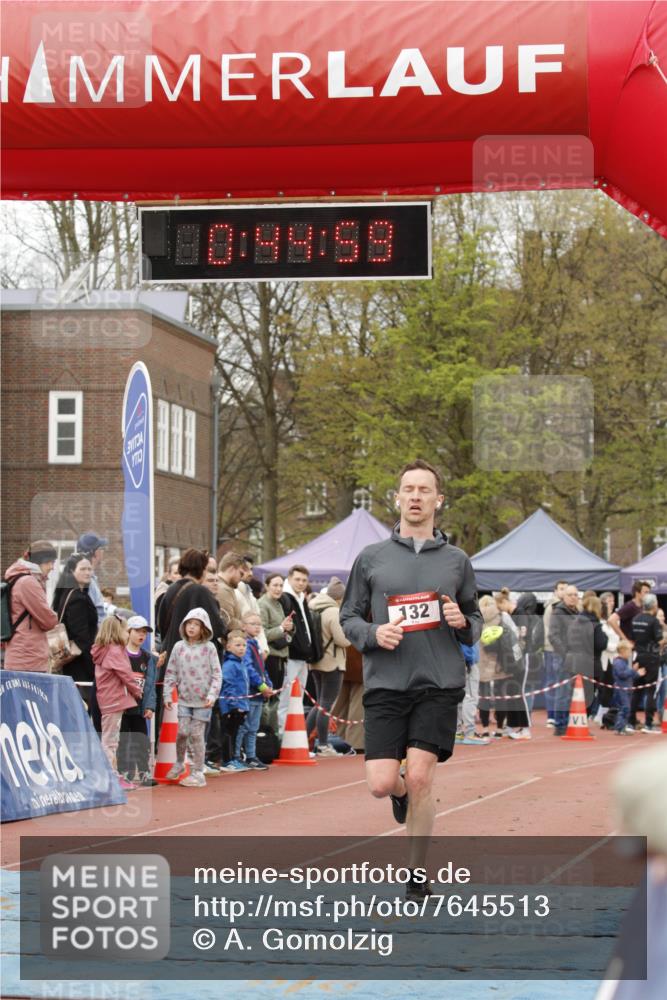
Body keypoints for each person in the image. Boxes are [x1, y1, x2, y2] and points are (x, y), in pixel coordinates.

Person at [340, 459, 482, 900]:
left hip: (438, 683)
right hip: (386, 682)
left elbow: (474, 620)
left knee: (421, 777)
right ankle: (398, 793)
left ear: (439, 500)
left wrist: (462, 622)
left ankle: (417, 876)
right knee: (381, 783)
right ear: (397, 498)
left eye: (424, 490)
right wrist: (373, 634)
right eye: (409, 489)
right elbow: (348, 617)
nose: (416, 497)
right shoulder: (371, 558)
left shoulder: (457, 561)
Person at [163, 607, 222, 788]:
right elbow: (171, 672)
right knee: (182, 732)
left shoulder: (209, 648)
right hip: (184, 699)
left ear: (203, 628)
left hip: (203, 701)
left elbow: (217, 674)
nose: (191, 627)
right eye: (189, 623)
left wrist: (212, 694)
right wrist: (167, 693)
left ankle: (197, 772)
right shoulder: (178, 647)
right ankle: (180, 762)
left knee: (196, 735)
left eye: (196, 624)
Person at [92, 615, 143, 791]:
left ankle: (110, 774)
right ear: (118, 631)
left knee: (110, 738)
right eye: (126, 630)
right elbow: (126, 674)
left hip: (106, 699)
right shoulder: (115, 651)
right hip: (114, 700)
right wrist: (137, 691)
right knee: (110, 741)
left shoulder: (103, 650)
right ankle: (109, 776)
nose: (127, 634)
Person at [306, 577, 351, 756]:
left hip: (315, 661)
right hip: (332, 662)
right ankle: (323, 745)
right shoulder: (333, 611)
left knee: (319, 703)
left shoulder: (312, 606)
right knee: (325, 705)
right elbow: (343, 640)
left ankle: (303, 740)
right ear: (340, 598)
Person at [278, 564, 323, 734]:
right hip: (290, 656)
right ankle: (282, 737)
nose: (301, 583)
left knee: (297, 700)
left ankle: (293, 737)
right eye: (297, 579)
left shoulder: (301, 597)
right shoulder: (285, 598)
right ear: (289, 579)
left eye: (304, 580)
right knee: (285, 699)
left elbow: (307, 627)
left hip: (303, 657)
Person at [51, 552, 99, 706]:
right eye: (83, 569)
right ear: (72, 571)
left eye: (89, 569)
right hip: (80, 664)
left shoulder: (67, 593)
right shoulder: (77, 598)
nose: (88, 572)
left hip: (70, 662)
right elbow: (82, 637)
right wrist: (94, 667)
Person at [3, 541, 58, 672]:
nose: (52, 567)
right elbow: (48, 621)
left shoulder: (19, 578)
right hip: (28, 659)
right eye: (49, 562)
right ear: (38, 561)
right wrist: (54, 615)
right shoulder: (28, 582)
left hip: (21, 656)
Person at [118, 615, 158, 787]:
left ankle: (144, 772)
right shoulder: (119, 654)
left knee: (141, 740)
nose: (141, 635)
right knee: (123, 740)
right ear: (128, 632)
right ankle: (124, 772)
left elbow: (150, 684)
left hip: (139, 706)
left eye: (144, 632)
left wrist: (150, 706)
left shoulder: (148, 658)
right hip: (122, 706)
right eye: (137, 631)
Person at [233, 612, 274, 770]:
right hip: (249, 693)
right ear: (244, 626)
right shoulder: (245, 645)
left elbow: (262, 668)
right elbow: (249, 668)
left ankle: (251, 756)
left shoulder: (255, 644)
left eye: (259, 624)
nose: (257, 627)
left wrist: (268, 683)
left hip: (258, 695)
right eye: (253, 624)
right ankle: (237, 756)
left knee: (254, 727)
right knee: (244, 727)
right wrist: (261, 686)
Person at [564, 594, 608, 719]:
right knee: (587, 696)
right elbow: (601, 644)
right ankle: (581, 721)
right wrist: (605, 636)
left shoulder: (574, 622)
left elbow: (567, 641)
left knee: (574, 694)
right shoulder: (595, 625)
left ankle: (570, 721)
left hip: (573, 662)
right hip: (589, 664)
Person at [628, 594, 665, 733]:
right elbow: (660, 641)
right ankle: (648, 723)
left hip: (638, 656)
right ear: (654, 605)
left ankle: (631, 722)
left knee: (636, 690)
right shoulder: (654, 621)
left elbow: (632, 638)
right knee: (650, 690)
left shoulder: (635, 619)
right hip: (652, 658)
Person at [547, 583, 581, 735]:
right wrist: (565, 654)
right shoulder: (558, 612)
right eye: (570, 595)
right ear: (564, 597)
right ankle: (560, 725)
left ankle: (569, 723)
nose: (573, 597)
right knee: (563, 692)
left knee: (573, 693)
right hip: (563, 658)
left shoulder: (577, 612)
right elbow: (553, 636)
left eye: (575, 595)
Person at [217, 630, 253, 771]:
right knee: (228, 733)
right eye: (237, 645)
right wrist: (234, 705)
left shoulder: (241, 663)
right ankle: (227, 760)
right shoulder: (230, 665)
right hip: (231, 706)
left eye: (244, 645)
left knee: (235, 733)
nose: (241, 648)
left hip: (241, 705)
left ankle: (234, 758)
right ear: (228, 647)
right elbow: (228, 686)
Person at [258, 572, 294, 692]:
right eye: (275, 585)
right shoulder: (262, 604)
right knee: (271, 696)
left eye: (281, 585)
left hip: (280, 657)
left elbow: (282, 627)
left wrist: (290, 627)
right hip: (270, 658)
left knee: (277, 695)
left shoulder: (278, 603)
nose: (278, 589)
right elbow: (261, 633)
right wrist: (281, 628)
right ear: (267, 586)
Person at [542, 580, 568, 726]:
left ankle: (561, 716)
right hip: (551, 649)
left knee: (563, 683)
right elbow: (548, 630)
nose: (564, 591)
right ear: (555, 591)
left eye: (566, 589)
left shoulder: (569, 608)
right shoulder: (551, 608)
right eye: (561, 589)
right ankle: (551, 716)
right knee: (552, 681)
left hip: (565, 650)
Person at [77, 531, 109, 626]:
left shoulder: (90, 578)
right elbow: (90, 616)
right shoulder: (86, 581)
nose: (103, 551)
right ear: (95, 552)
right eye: (101, 548)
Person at [611, 640, 636, 735]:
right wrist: (633, 671)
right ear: (623, 651)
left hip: (626, 688)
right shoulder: (618, 662)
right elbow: (622, 674)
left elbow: (628, 675)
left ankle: (623, 726)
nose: (630, 654)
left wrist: (637, 673)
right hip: (621, 689)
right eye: (629, 651)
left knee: (626, 708)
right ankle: (619, 727)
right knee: (624, 708)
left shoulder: (624, 662)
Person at [216, 552, 245, 631]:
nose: (241, 578)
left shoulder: (224, 587)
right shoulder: (223, 589)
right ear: (232, 569)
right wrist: (244, 625)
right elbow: (228, 622)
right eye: (241, 573)